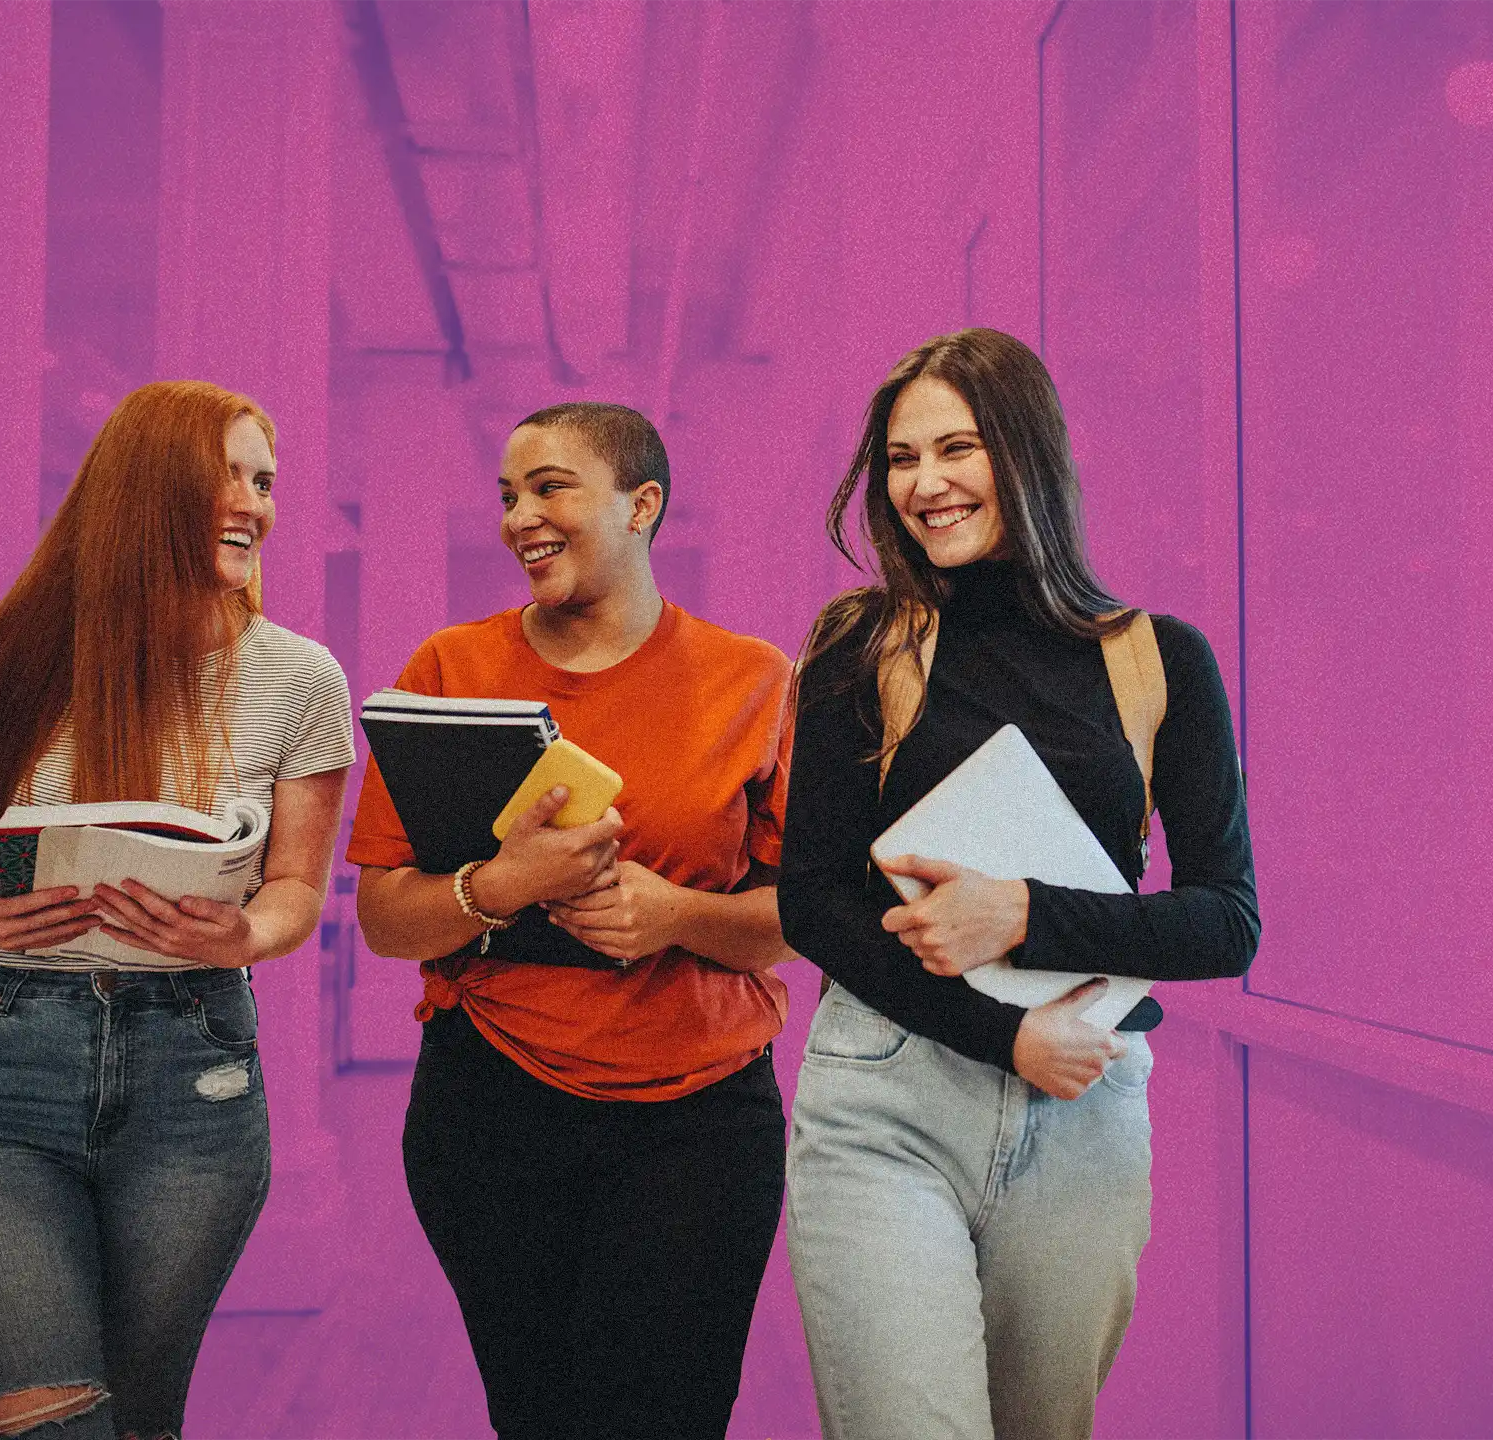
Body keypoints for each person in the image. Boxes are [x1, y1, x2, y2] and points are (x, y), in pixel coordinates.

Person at [778, 328, 1259, 1440]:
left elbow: (1227, 921)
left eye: (959, 448)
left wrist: (1023, 916)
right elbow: (811, 898)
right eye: (901, 459)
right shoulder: (861, 645)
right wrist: (1002, 1038)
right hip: (885, 1101)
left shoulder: (1160, 659)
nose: (926, 485)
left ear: (1028, 454)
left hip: (1083, 1110)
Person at [0, 381, 355, 1440]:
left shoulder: (302, 680)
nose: (255, 503)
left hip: (190, 1078)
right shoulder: (8, 650)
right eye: (228, 475)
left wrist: (245, 931)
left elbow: (295, 888)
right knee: (39, 1423)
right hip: (1, 1065)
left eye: (265, 480)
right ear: (144, 490)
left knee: (139, 1418)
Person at [348, 402, 794, 1440]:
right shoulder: (449, 674)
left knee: (667, 1417)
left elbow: (799, 916)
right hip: (491, 1109)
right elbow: (383, 914)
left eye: (550, 487)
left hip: (701, 1121)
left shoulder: (754, 680)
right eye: (508, 495)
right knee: (538, 1416)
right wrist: (498, 887)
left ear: (643, 506)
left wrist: (673, 914)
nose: (520, 518)